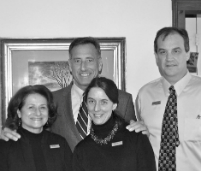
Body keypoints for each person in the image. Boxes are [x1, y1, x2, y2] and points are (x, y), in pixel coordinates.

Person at [1, 37, 147, 151]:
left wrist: (142, 132)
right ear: (70, 65)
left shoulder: (123, 100)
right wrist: (7, 131)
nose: (83, 67)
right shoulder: (52, 100)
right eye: (77, 61)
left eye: (89, 60)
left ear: (100, 64)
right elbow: (32, 130)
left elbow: (133, 143)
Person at [136, 27, 201, 171]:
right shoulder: (144, 95)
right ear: (156, 57)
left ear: (187, 54)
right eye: (163, 52)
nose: (169, 58)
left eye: (176, 51)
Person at [73, 77, 156, 171]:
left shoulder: (135, 138)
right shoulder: (82, 150)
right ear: (86, 104)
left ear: (114, 105)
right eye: (92, 101)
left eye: (103, 102)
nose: (96, 108)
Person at [0, 85, 72, 171]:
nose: (38, 113)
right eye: (31, 107)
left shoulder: (60, 142)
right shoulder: (5, 144)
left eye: (42, 107)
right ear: (19, 112)